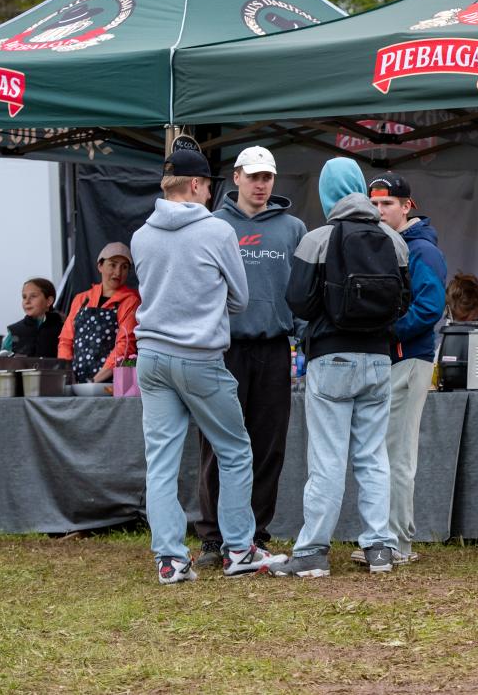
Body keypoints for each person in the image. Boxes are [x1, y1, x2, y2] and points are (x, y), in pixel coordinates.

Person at [132, 148, 282, 584]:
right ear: (196, 185)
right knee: (234, 450)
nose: (211, 192)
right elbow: (241, 298)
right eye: (208, 184)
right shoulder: (217, 231)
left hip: (151, 357)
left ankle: (170, 559)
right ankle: (238, 549)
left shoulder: (141, 235)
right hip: (199, 356)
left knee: (161, 462)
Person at [272, 158, 411, 578]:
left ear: (327, 194)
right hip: (379, 359)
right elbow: (403, 301)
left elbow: (297, 301)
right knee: (373, 456)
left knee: (327, 459)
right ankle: (380, 548)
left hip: (330, 358)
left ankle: (313, 551)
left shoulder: (317, 239)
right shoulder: (394, 240)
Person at [193, 147, 307, 570]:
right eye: (254, 176)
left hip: (274, 347)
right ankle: (213, 537)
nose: (261, 185)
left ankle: (254, 534)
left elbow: (301, 291)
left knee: (268, 444)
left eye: (267, 177)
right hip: (223, 348)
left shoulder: (293, 228)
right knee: (215, 443)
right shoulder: (213, 225)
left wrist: (303, 339)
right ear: (236, 177)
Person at [366, 173, 446, 566]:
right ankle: (389, 537)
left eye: (387, 204)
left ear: (406, 206)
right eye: (374, 204)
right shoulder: (389, 244)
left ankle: (397, 541)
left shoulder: (422, 250)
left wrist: (387, 333)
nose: (380, 211)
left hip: (410, 357)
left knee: (396, 453)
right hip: (394, 357)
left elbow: (430, 308)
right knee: (385, 450)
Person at [58, 242, 141, 383]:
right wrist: (67, 374)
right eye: (113, 265)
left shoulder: (131, 301)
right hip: (75, 381)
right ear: (100, 266)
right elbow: (66, 340)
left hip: (111, 382)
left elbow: (126, 346)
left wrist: (95, 380)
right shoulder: (82, 299)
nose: (118, 272)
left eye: (124, 267)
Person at [3, 278, 64, 357]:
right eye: (24, 297)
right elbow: (2, 358)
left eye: (33, 296)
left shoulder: (63, 329)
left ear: (49, 301)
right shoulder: (14, 331)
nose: (27, 301)